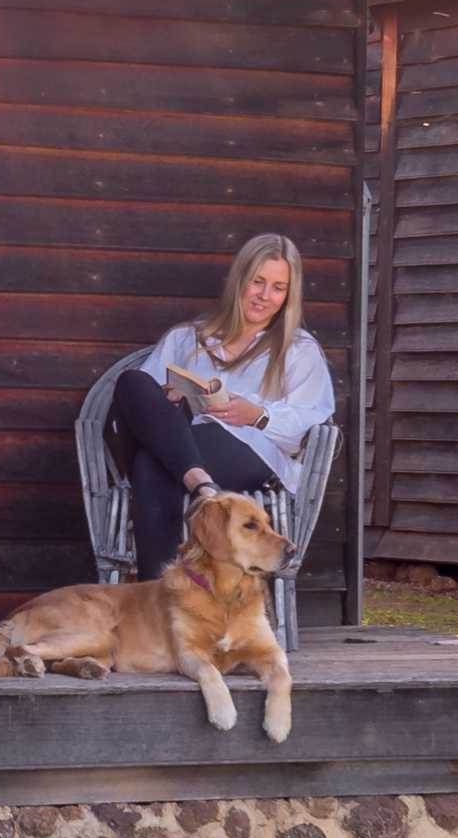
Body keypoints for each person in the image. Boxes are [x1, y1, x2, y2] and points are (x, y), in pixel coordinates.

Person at [109, 233, 336, 579]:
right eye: (257, 282)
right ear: (238, 280)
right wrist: (170, 398)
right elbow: (139, 409)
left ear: (289, 294)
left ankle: (158, 602)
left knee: (151, 464)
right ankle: (202, 485)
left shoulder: (299, 349)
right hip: (184, 441)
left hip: (248, 449)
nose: (265, 295)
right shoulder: (186, 338)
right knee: (133, 383)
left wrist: (258, 416)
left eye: (278, 287)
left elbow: (312, 424)